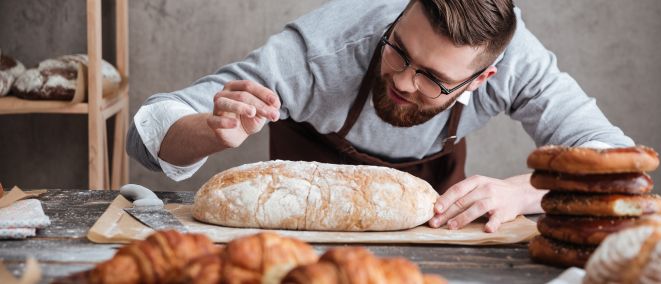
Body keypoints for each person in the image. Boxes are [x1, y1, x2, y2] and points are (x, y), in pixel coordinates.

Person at [127, 0, 634, 233]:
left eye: (432, 78)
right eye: (399, 51)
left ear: (483, 80)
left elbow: (618, 159)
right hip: (300, 242)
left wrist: (525, 191)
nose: (403, 81)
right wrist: (211, 131)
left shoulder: (519, 61)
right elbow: (146, 131)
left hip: (441, 242)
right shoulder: (321, 52)